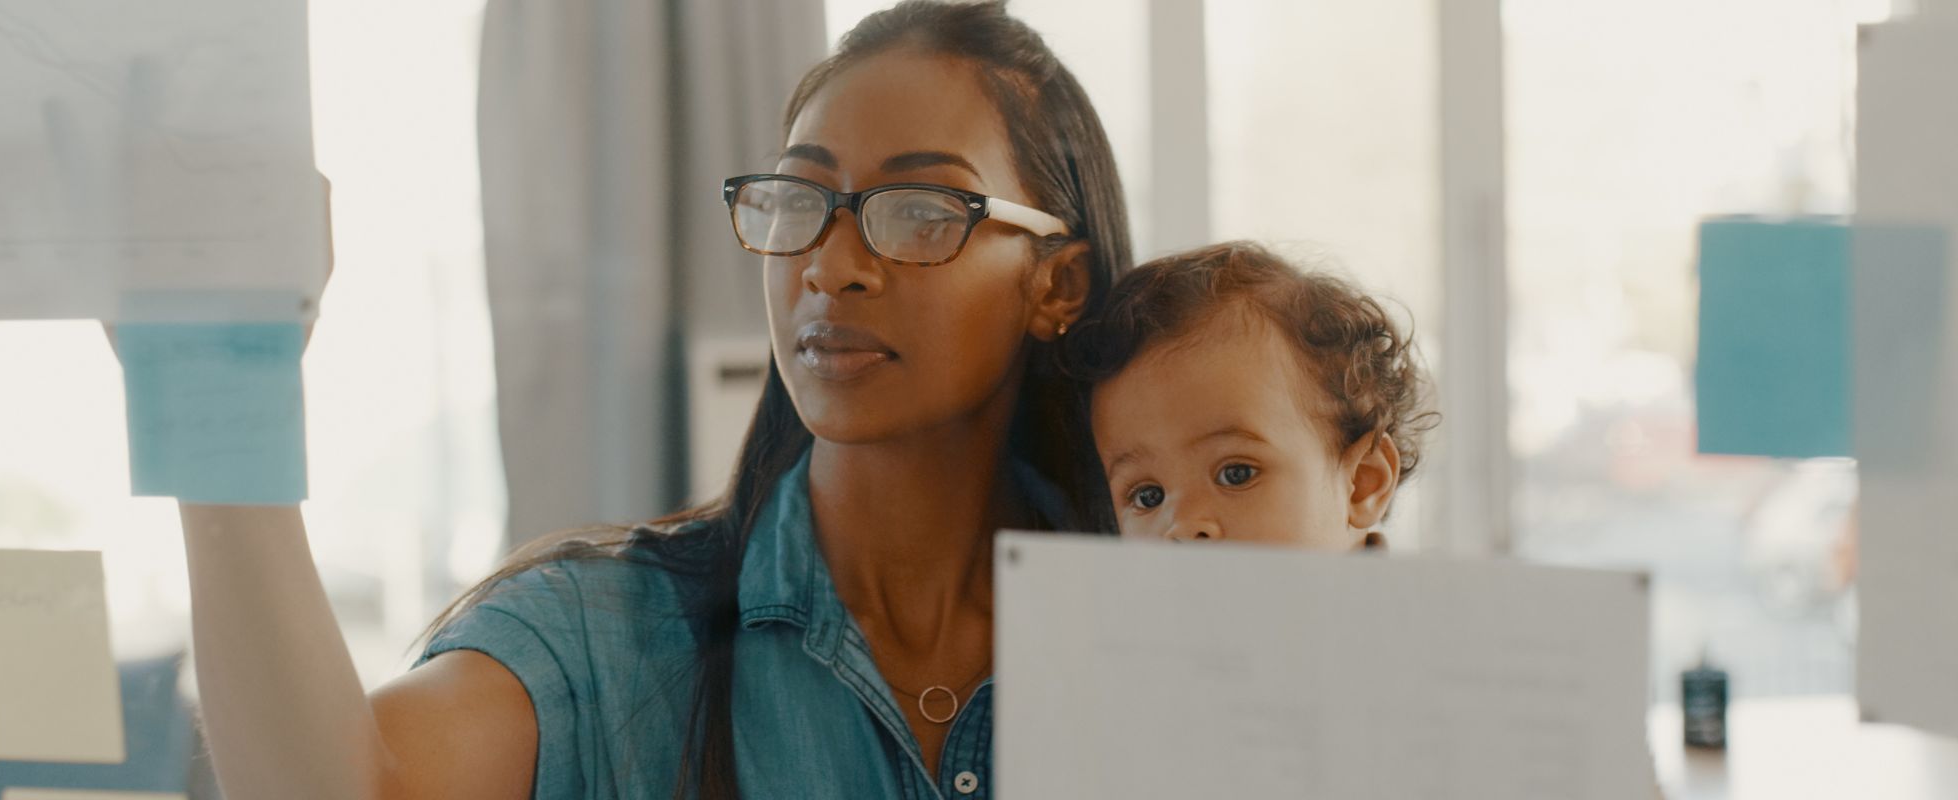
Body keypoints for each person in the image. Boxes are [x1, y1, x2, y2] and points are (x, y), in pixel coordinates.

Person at [172, 2, 1133, 798]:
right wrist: (222, 393)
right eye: (799, 202)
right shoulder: (610, 638)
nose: (831, 268)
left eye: (921, 212)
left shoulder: (1152, 639)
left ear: (1058, 286)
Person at [1065, 241, 1435, 550]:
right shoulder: (1131, 635)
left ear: (1362, 484)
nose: (1182, 526)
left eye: (1235, 474)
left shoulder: (1426, 633)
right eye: (1148, 496)